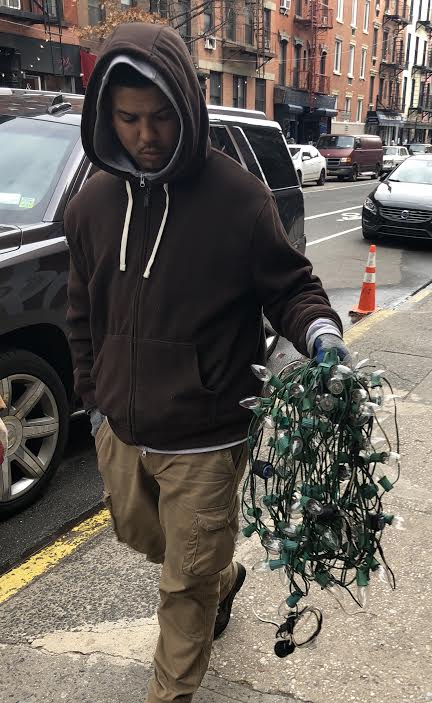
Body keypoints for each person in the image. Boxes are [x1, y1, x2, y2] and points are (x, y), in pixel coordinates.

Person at [65, 22, 349, 703]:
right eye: (129, 118)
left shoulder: (238, 198)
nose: (146, 134)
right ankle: (223, 576)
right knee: (148, 538)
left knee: (183, 582)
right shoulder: (92, 204)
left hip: (207, 433)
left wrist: (321, 334)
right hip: (122, 427)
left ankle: (173, 686)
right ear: (106, 116)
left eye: (160, 116)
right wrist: (94, 402)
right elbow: (81, 312)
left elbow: (291, 287)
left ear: (186, 107)